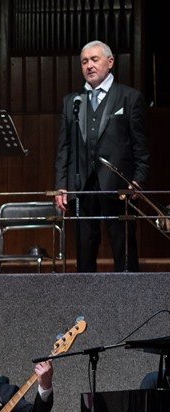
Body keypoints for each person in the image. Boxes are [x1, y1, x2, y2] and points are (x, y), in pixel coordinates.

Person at [55, 40, 149, 272]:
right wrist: (61, 184)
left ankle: (128, 294)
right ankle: (86, 296)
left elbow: (140, 146)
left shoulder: (129, 97)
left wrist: (139, 179)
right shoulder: (72, 102)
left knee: (124, 250)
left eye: (94, 60)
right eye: (84, 62)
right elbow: (64, 147)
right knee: (84, 252)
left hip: (118, 186)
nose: (89, 66)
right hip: (82, 187)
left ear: (110, 62)